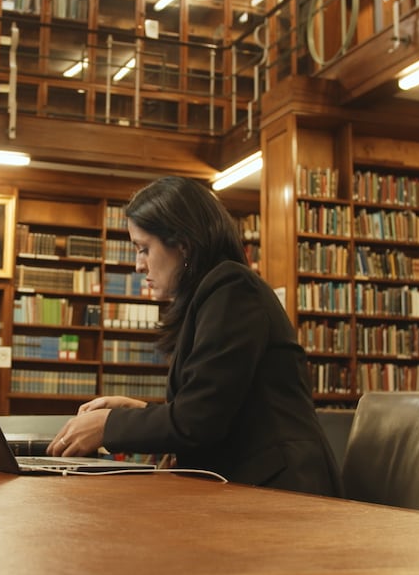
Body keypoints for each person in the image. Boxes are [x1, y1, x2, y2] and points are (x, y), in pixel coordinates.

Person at [47, 176, 342, 497]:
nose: (137, 265)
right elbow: (213, 410)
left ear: (183, 244)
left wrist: (109, 425)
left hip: (285, 492)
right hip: (253, 484)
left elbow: (197, 422)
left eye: (144, 249)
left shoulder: (232, 288)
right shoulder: (214, 294)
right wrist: (140, 411)